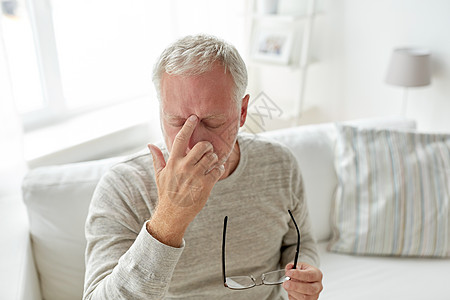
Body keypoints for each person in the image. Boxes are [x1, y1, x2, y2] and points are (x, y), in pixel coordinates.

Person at [83, 34, 323, 300]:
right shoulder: (123, 187)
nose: (192, 142)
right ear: (161, 112)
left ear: (242, 112)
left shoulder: (280, 164)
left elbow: (300, 242)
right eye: (177, 121)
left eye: (212, 122)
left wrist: (304, 271)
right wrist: (169, 218)